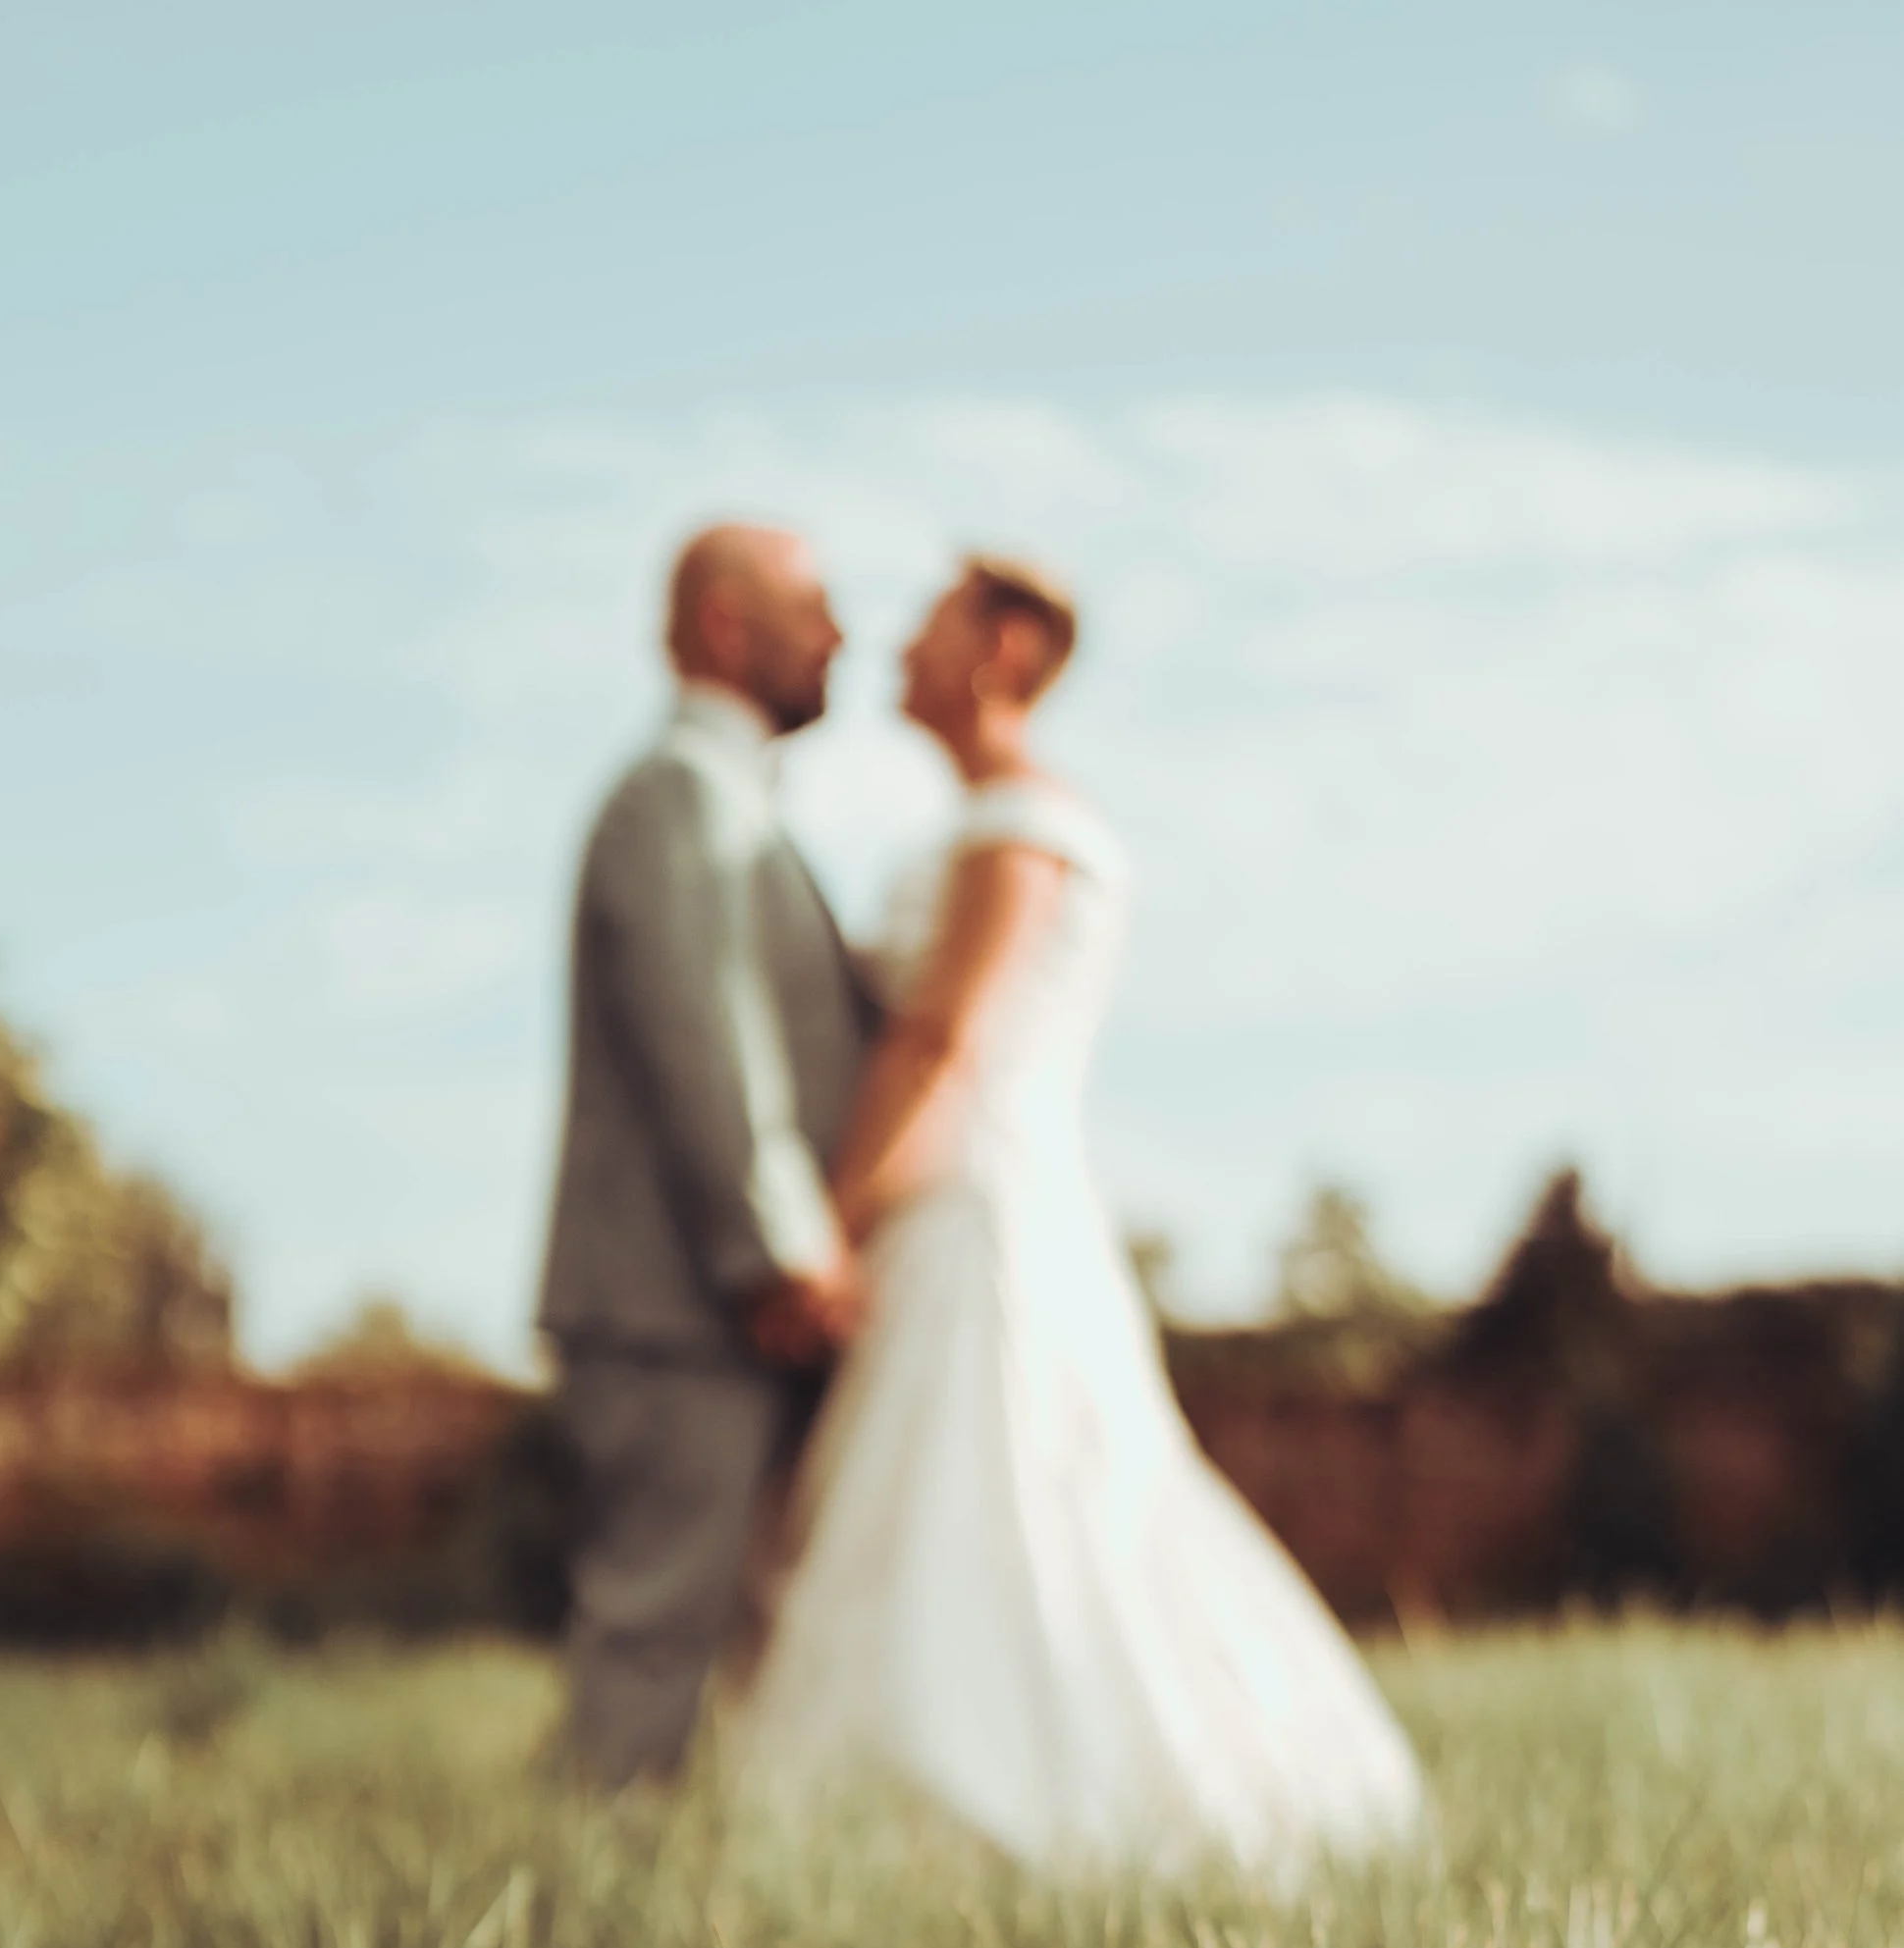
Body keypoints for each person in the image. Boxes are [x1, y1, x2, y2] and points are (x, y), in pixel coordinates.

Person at [737, 556, 1426, 1877]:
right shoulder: (991, 825)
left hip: (980, 1214)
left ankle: (1046, 1816)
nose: (899, 646)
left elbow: (941, 1044)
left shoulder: (1018, 832)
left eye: (931, 624)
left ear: (1003, 648)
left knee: (1022, 1513)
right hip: (969, 1205)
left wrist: (827, 1224)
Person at [538, 524, 873, 1788]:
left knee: (714, 1646)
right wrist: (774, 1249)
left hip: (710, 1307)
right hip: (679, 1304)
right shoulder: (678, 792)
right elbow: (705, 1030)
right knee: (652, 1635)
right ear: (726, 626)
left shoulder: (730, 805)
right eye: (814, 607)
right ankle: (574, 1940)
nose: (840, 637)